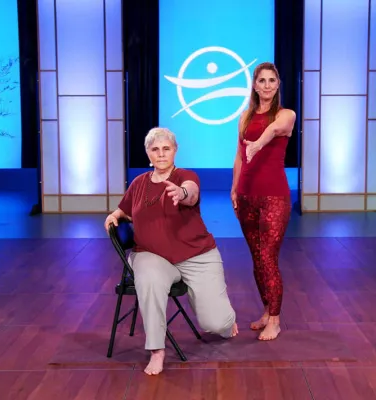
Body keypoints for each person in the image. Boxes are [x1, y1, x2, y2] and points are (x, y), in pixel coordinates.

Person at [105, 127, 238, 376]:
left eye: (166, 148)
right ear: (148, 154)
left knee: (216, 324)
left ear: (175, 151)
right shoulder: (138, 183)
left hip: (197, 256)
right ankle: (157, 350)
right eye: (155, 149)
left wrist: (181, 193)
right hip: (152, 255)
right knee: (148, 277)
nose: (161, 154)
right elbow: (126, 210)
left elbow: (191, 192)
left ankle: (227, 320)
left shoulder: (185, 176)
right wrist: (115, 214)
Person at [231, 62, 296, 341]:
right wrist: (234, 189)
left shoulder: (286, 115)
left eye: (272, 80)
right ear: (255, 85)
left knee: (269, 257)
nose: (267, 85)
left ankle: (276, 320)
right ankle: (267, 311)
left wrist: (258, 144)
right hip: (246, 195)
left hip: (274, 196)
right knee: (257, 259)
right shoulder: (245, 116)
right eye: (262, 80)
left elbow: (273, 131)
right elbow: (237, 156)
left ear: (277, 84)